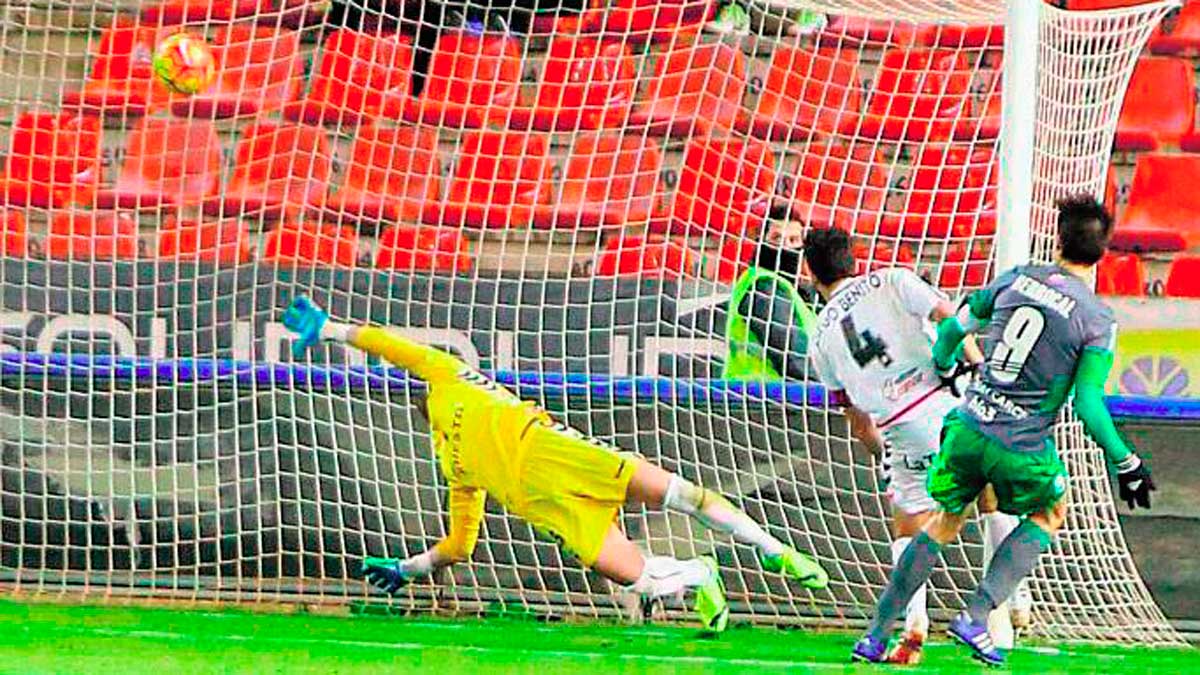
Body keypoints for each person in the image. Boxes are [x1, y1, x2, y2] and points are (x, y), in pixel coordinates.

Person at [282, 295, 829, 632]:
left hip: (559, 452)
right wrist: (408, 569)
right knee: (636, 578)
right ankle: (699, 573)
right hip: (550, 507)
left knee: (682, 495)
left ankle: (779, 553)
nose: (413, 393)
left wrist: (330, 330)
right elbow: (460, 544)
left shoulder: (446, 374)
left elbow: (388, 344)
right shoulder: (451, 465)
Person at [851, 195, 1156, 666]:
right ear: (1104, 252)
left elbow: (954, 329)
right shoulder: (1097, 320)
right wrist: (1126, 460)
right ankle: (976, 615)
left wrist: (943, 362)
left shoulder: (1019, 277)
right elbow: (1089, 403)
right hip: (1020, 444)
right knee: (1050, 510)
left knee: (943, 519)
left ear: (1057, 238)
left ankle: (873, 635)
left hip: (969, 426)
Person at [800, 227, 1026, 664]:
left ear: (811, 276)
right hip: (948, 402)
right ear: (853, 259)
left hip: (900, 426)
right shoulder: (892, 279)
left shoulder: (819, 340)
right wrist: (979, 367)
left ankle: (913, 625)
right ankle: (1007, 606)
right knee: (989, 498)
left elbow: (853, 413)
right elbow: (949, 319)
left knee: (910, 523)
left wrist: (879, 450)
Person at [723, 212, 820, 381]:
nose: (785, 247)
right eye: (776, 238)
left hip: (765, 396)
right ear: (761, 241)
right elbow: (793, 360)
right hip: (756, 397)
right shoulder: (763, 286)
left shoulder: (795, 292)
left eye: (793, 240)